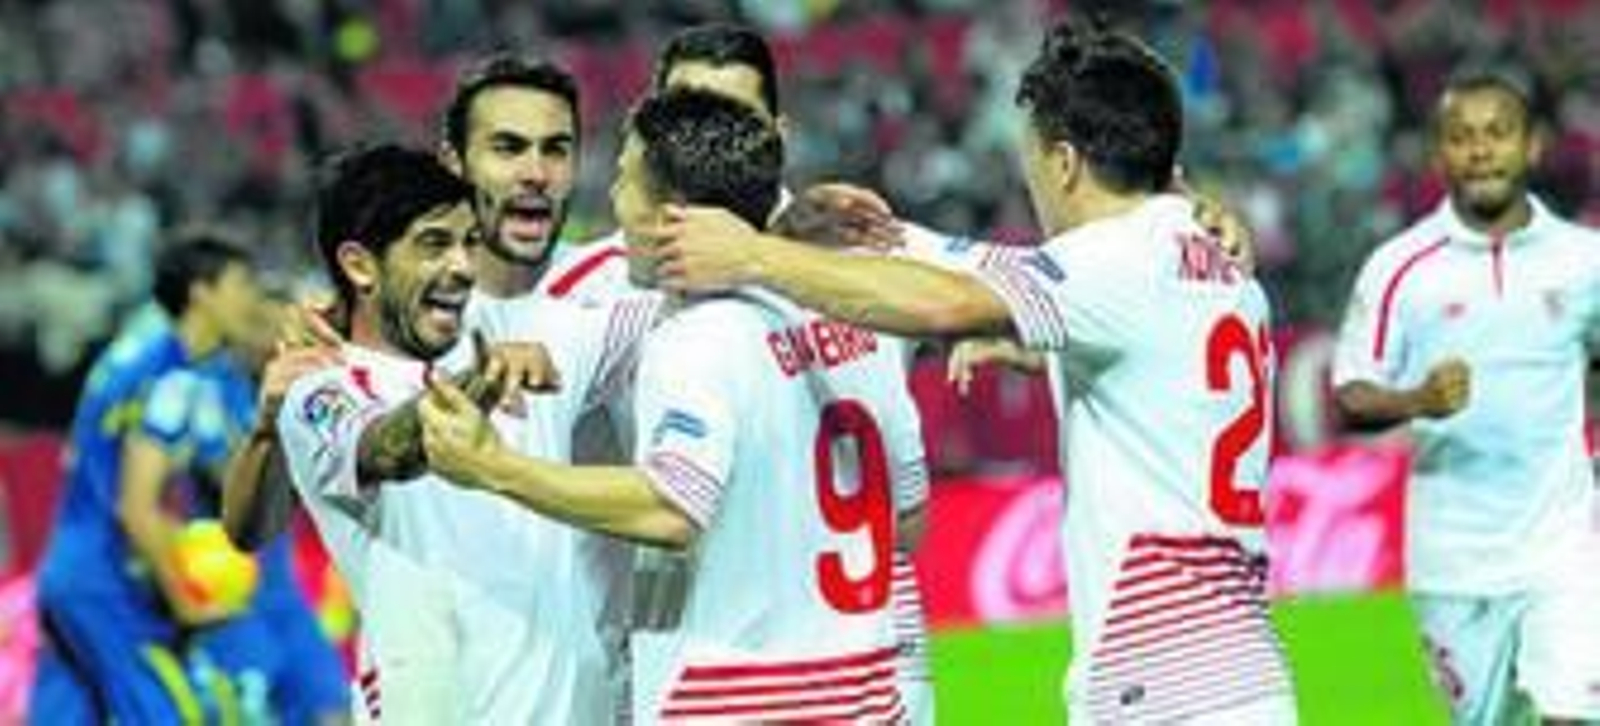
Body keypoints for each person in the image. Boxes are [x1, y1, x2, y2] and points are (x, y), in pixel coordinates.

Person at [646, 19, 1296, 724]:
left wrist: (755, 258)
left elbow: (952, 302)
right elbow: (1011, 277)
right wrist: (879, 239)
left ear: (1066, 163)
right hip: (1240, 669)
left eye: (1032, 161)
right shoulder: (1211, 259)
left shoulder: (1116, 263)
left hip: (1166, 677)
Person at [419, 88, 927, 722]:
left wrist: (496, 466)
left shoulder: (695, 338)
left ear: (674, 215)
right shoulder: (863, 323)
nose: (612, 199)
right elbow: (909, 519)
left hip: (736, 702)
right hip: (868, 697)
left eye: (628, 180)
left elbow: (672, 508)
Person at [274, 143, 648, 723]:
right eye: (434, 244)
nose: (463, 266)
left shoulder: (512, 341)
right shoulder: (321, 393)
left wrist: (771, 237)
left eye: (470, 242)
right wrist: (478, 386)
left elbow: (663, 310)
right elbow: (387, 448)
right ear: (360, 265)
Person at [1332, 68, 1600, 725]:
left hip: (1565, 547)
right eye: (1462, 136)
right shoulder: (1399, 267)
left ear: (1531, 146)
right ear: (1438, 155)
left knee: (1576, 713)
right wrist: (1416, 399)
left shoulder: (1584, 260)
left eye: (1498, 133)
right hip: (1454, 561)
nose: (1481, 150)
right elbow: (1350, 394)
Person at [30, 235, 270, 723]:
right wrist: (186, 601)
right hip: (105, 581)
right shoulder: (166, 376)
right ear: (202, 293)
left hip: (70, 573)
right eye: (243, 284)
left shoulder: (150, 352)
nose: (253, 299)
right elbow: (136, 508)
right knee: (163, 714)